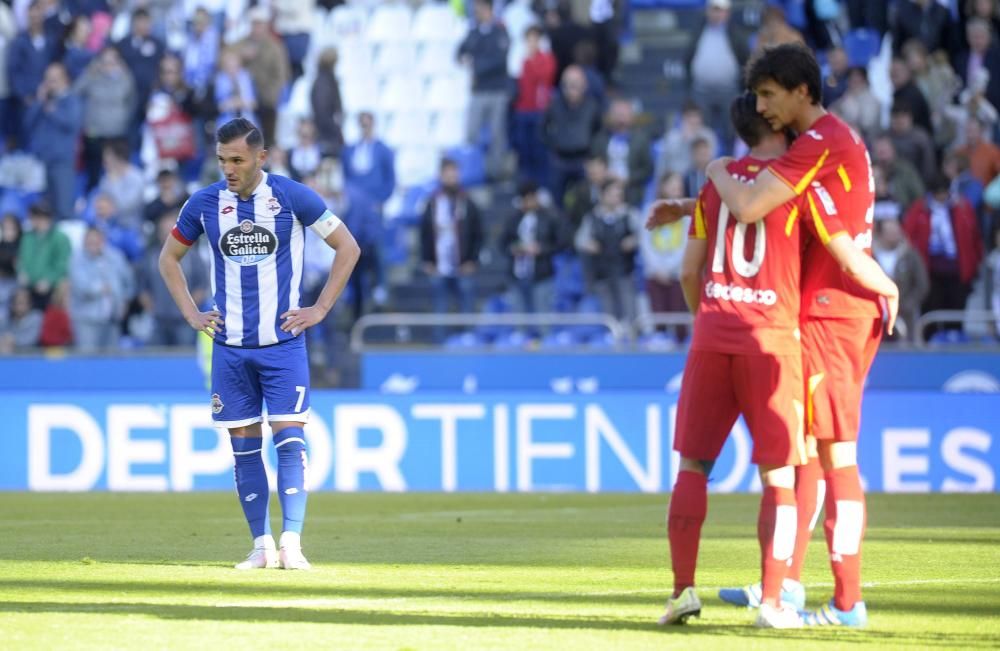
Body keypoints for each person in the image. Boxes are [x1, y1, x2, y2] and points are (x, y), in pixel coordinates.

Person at [648, 43, 901, 628]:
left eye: (769, 94)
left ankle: (844, 601)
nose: (762, 107)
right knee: (802, 452)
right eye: (757, 97)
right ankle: (782, 586)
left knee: (833, 454)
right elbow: (775, 198)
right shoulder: (823, 147)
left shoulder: (814, 144)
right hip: (817, 308)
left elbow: (756, 201)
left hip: (828, 309)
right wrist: (695, 203)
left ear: (801, 92)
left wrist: (710, 176)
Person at [158, 118, 360, 570]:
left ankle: (292, 542)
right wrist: (191, 313)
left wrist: (320, 309)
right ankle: (261, 545)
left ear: (260, 158)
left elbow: (348, 247)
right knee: (243, 448)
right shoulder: (205, 203)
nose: (228, 169)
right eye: (222, 160)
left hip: (282, 344)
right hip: (230, 348)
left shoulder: (293, 196)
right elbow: (168, 259)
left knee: (289, 441)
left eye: (237, 160)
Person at [655, 93, 806, 630]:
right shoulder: (795, 181)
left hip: (713, 334)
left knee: (693, 466)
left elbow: (687, 272)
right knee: (780, 474)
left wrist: (709, 322)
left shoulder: (714, 187)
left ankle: (681, 593)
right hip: (771, 340)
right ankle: (772, 602)